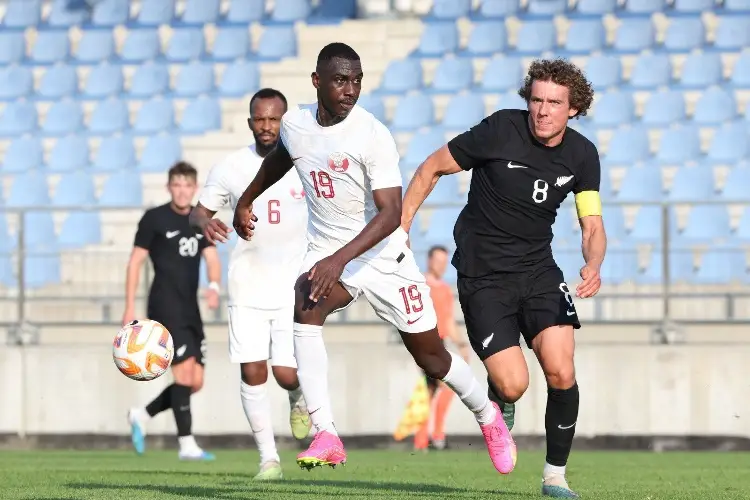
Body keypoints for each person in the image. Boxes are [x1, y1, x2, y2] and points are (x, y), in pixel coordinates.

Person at [232, 42, 516, 476]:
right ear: (317, 82)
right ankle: (326, 432)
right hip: (329, 253)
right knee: (305, 304)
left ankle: (487, 415)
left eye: (357, 80)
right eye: (341, 80)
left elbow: (390, 215)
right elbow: (281, 159)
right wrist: (246, 200)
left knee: (431, 357)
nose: (351, 89)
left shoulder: (372, 134)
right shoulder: (295, 125)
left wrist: (336, 262)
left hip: (382, 256)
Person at [400, 58, 606, 499]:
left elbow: (591, 224)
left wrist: (594, 264)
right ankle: (500, 397)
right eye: (536, 100)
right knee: (515, 383)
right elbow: (432, 166)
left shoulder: (583, 155)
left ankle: (554, 477)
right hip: (484, 277)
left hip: (539, 272)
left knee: (561, 369)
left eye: (554, 102)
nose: (543, 110)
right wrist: (401, 226)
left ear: (573, 109)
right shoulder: (499, 130)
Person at [189, 88, 312, 481]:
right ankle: (268, 459)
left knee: (286, 373)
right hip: (247, 288)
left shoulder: (303, 163)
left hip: (293, 287)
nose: (266, 126)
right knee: (252, 372)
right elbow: (197, 212)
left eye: (274, 119)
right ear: (249, 122)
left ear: (284, 121)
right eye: (260, 119)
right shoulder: (230, 167)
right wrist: (205, 222)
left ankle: (298, 396)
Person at [123, 161, 221, 461]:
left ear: (194, 188)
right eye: (176, 185)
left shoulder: (199, 219)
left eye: (187, 186)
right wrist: (129, 307)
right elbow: (136, 261)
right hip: (165, 307)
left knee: (195, 382)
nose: (181, 191)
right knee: (183, 376)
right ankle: (187, 444)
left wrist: (214, 285)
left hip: (190, 308)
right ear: (169, 187)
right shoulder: (154, 218)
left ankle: (141, 415)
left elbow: (212, 257)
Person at [414, 245, 471, 452]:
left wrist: (462, 344)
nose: (441, 266)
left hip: (441, 344)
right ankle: (433, 437)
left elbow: (448, 321)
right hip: (425, 343)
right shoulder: (420, 285)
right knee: (435, 390)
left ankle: (429, 438)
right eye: (438, 261)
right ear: (429, 261)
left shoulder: (445, 289)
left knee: (437, 390)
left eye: (444, 262)